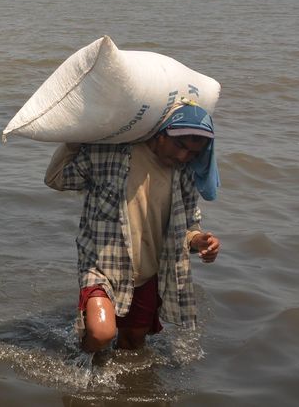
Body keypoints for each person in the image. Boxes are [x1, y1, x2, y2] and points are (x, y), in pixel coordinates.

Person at [44, 102, 222, 353]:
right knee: (101, 333)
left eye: (193, 153)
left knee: (133, 344)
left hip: (147, 274)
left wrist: (199, 240)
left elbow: (187, 225)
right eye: (180, 146)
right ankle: (80, 369)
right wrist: (75, 138)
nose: (183, 156)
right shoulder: (110, 154)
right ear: (162, 134)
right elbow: (56, 179)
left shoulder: (184, 175)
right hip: (101, 265)